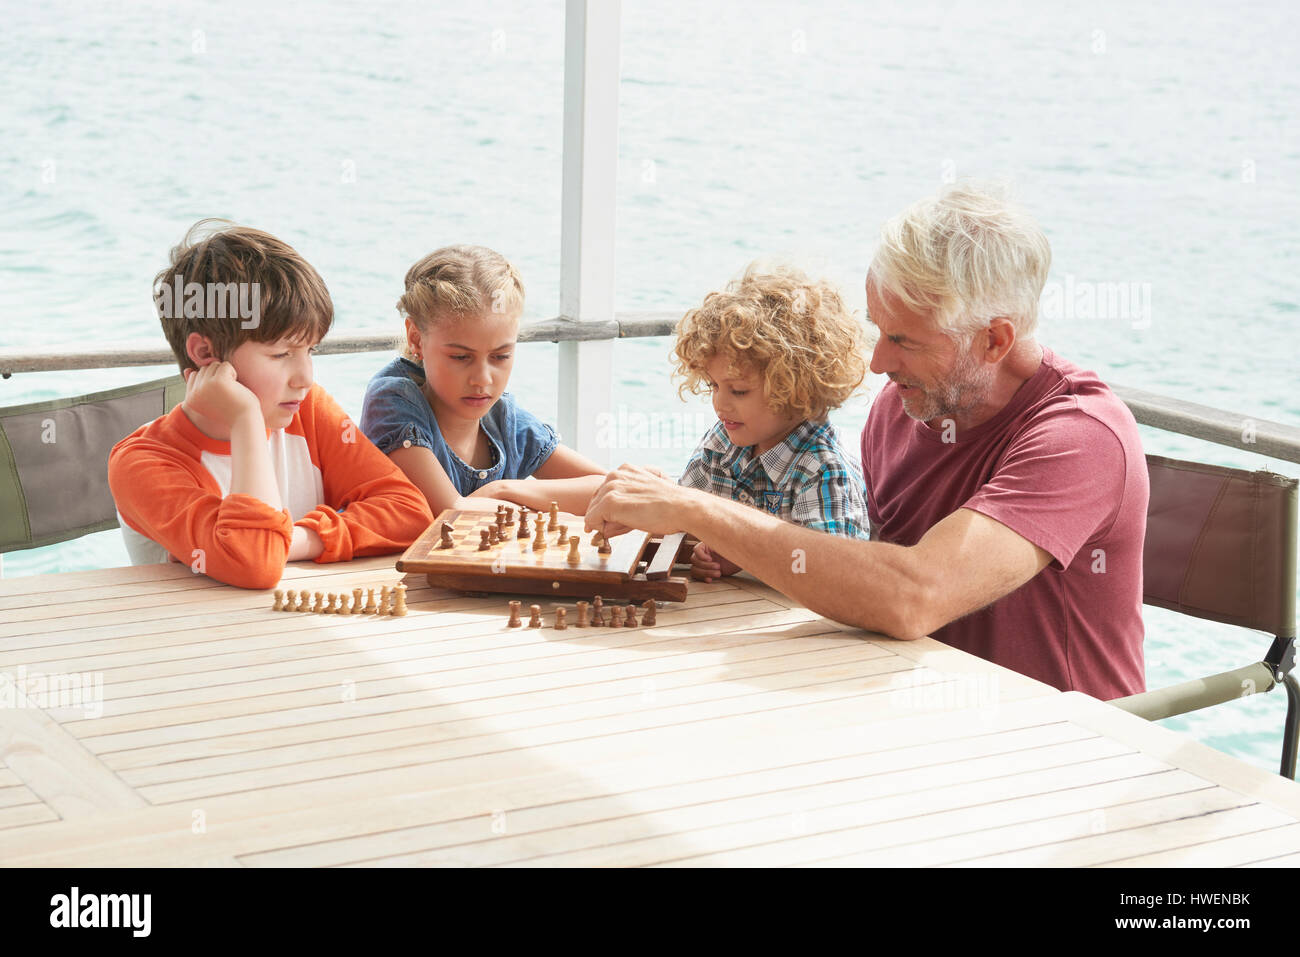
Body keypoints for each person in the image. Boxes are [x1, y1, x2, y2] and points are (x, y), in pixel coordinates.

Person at [586, 184, 1149, 700]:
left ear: (994, 340)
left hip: (1058, 745)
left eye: (902, 339)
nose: (878, 362)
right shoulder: (906, 404)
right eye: (878, 329)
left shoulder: (1080, 440)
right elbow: (857, 567)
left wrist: (696, 509)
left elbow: (914, 596)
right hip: (908, 700)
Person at [109, 220, 433, 590]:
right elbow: (255, 563)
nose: (305, 378)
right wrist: (245, 421)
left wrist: (294, 540)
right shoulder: (142, 463)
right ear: (205, 353)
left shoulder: (306, 410)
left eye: (309, 350)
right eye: (281, 354)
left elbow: (409, 512)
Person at [360, 245, 605, 516]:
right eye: (461, 357)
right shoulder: (393, 402)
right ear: (416, 339)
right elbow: (452, 512)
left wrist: (504, 490)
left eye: (500, 356)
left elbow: (608, 490)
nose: (482, 379)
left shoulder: (505, 419)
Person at [672, 264, 869, 582]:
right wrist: (702, 551)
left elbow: (835, 576)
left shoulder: (823, 469)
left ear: (795, 386)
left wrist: (747, 554)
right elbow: (682, 518)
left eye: (738, 390)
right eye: (713, 385)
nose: (720, 404)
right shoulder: (722, 442)